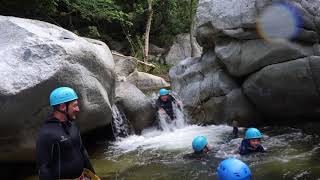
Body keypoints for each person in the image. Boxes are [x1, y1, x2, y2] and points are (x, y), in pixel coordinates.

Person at [36, 87, 98, 180]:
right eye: (74, 105)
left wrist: (93, 175)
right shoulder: (46, 134)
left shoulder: (72, 125)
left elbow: (82, 151)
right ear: (62, 107)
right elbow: (44, 169)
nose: (78, 109)